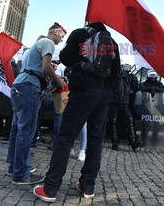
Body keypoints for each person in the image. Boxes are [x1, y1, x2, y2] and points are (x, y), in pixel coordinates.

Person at [34, 22, 120, 202]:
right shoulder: (112, 42)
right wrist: (107, 89)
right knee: (96, 140)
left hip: (83, 91)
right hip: (104, 94)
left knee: (66, 137)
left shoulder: (80, 33)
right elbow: (116, 72)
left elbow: (65, 58)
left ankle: (50, 188)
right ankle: (88, 186)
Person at [7, 23, 67, 185]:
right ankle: (20, 175)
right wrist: (58, 81)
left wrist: (51, 80)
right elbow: (45, 67)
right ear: (55, 32)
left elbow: (38, 69)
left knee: (17, 129)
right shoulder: (48, 43)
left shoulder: (31, 48)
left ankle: (14, 167)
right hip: (28, 88)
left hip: (20, 86)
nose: (62, 40)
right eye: (62, 36)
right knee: (26, 132)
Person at [108, 63, 140, 151]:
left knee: (129, 120)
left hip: (124, 102)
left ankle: (133, 142)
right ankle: (115, 143)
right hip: (114, 102)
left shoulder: (130, 77)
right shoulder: (113, 74)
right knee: (113, 122)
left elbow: (134, 86)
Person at [139, 70, 164, 147]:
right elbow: (141, 88)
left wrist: (154, 89)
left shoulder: (159, 83)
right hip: (147, 105)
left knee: (156, 125)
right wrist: (149, 88)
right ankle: (144, 141)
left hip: (156, 106)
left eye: (153, 76)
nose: (152, 77)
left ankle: (154, 140)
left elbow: (162, 89)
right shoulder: (145, 83)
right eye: (151, 76)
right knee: (145, 124)